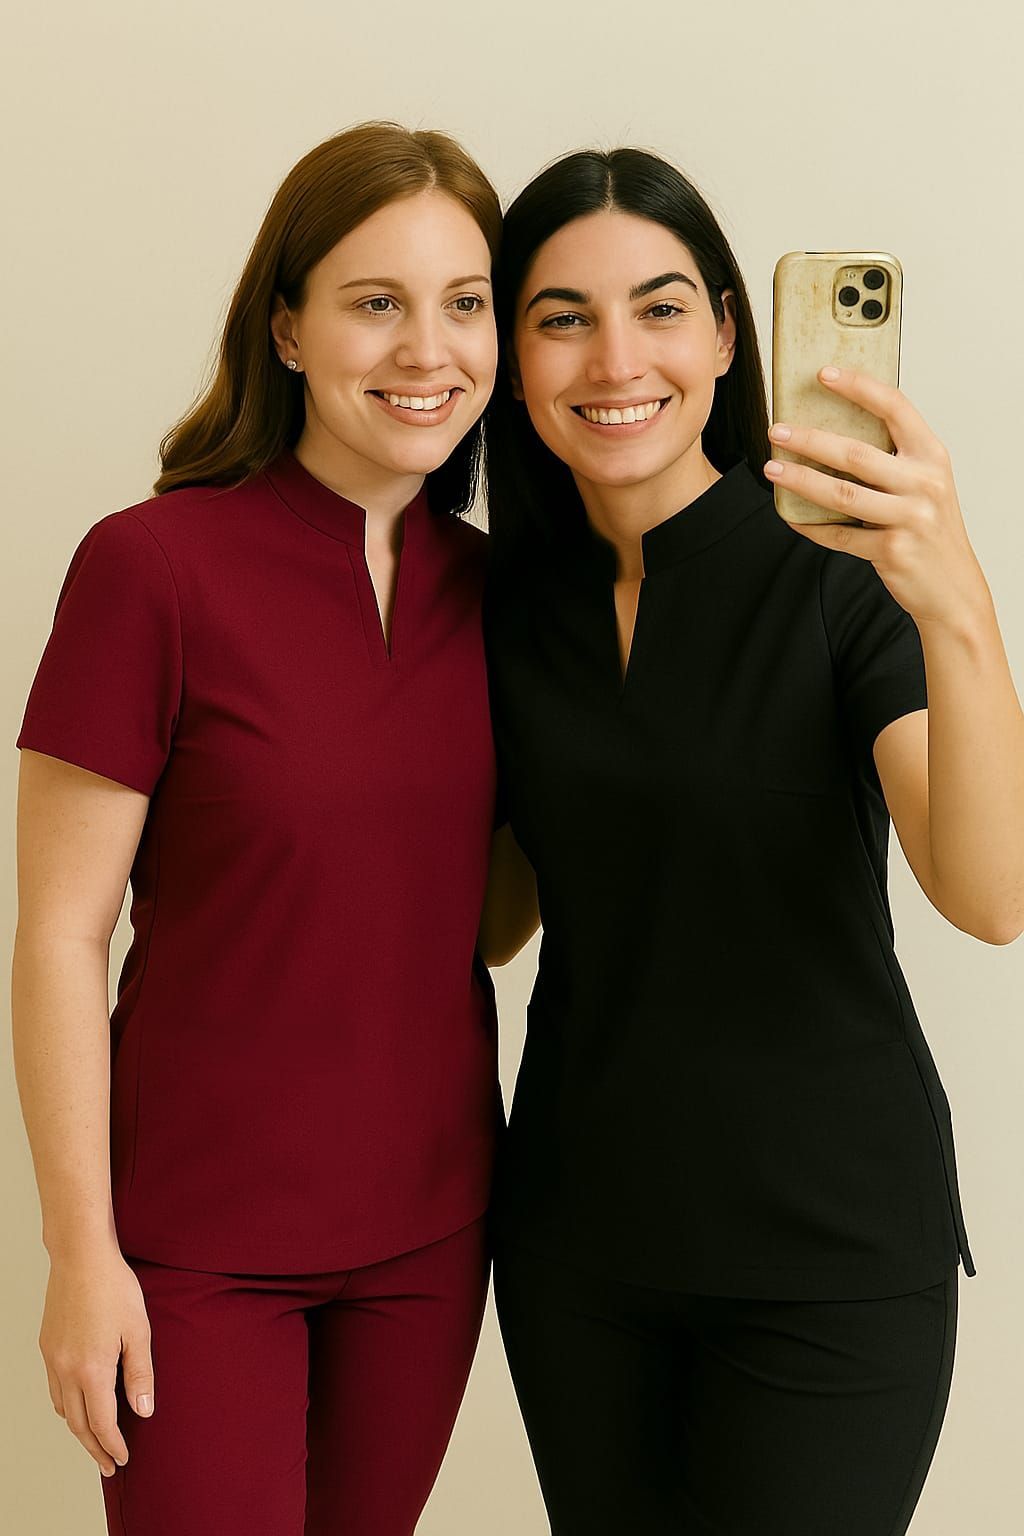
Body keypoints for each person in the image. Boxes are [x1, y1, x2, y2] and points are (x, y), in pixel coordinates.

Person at [480, 146, 1024, 1535]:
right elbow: (487, 921)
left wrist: (955, 597)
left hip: (827, 1257)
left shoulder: (843, 574)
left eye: (662, 308)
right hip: (581, 1247)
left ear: (729, 332)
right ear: (510, 354)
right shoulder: (497, 609)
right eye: (561, 317)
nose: (616, 357)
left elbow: (992, 894)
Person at [12, 120, 504, 1536]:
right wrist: (79, 1255)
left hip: (429, 1234)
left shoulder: (500, 597)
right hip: (192, 1252)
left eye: (462, 303)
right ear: (284, 327)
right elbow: (56, 938)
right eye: (374, 302)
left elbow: (478, 897)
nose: (427, 349)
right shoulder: (150, 569)